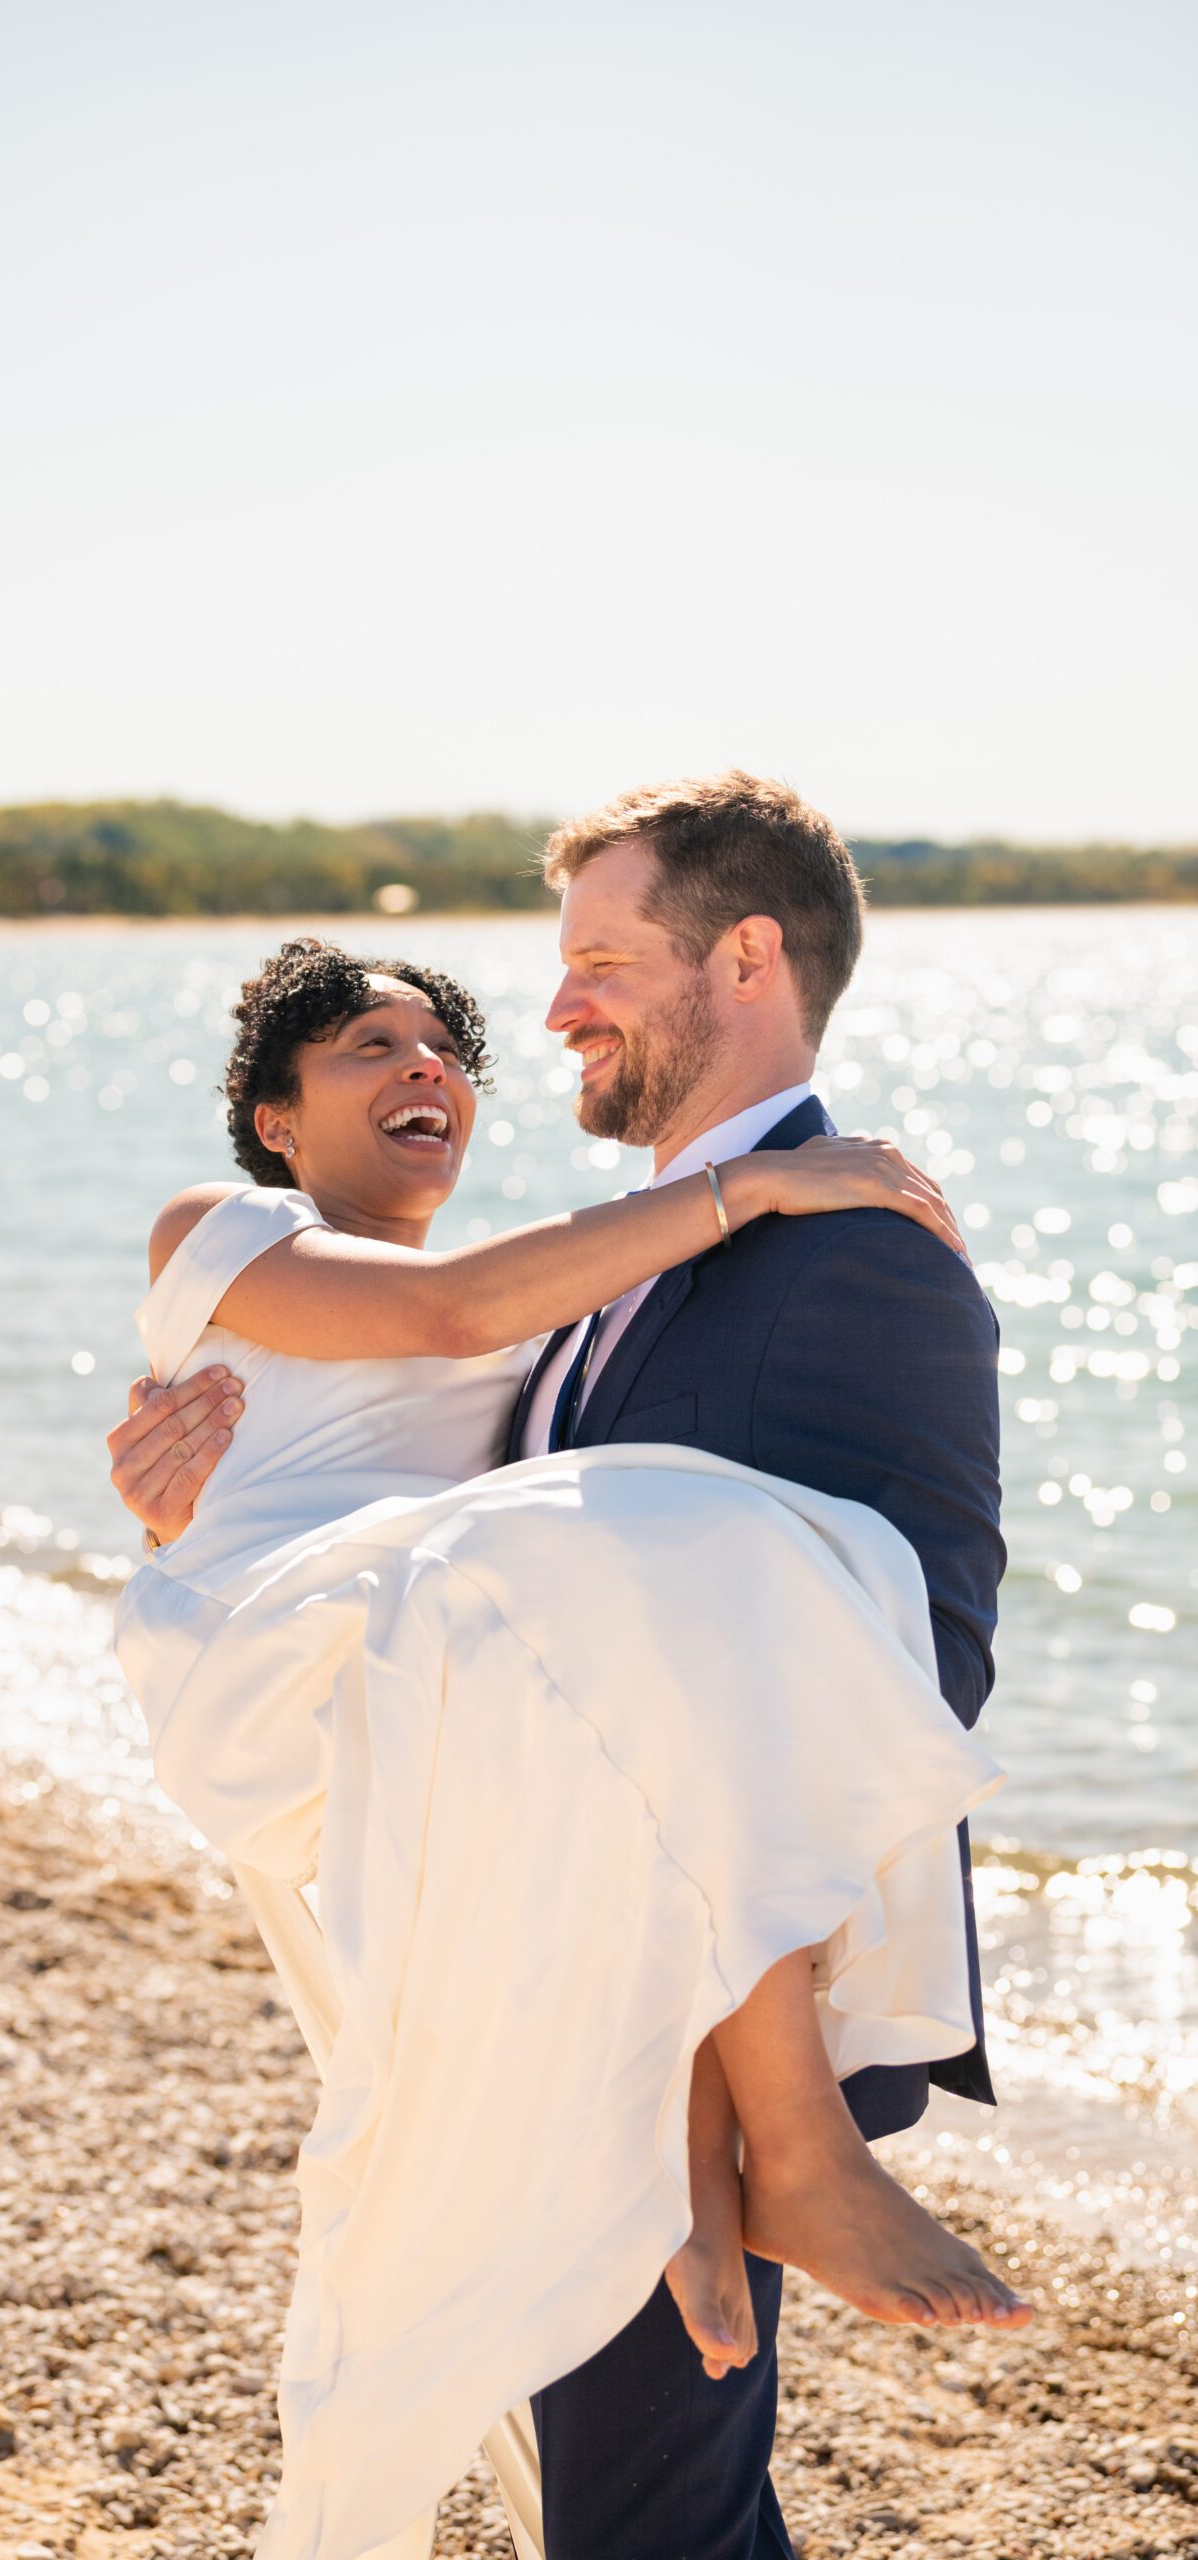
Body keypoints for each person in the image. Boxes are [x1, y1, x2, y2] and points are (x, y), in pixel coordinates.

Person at [110, 774, 1021, 2560]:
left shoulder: (846, 1251)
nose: (539, 1018)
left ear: (742, 960)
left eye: (596, 964)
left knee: (626, 2500)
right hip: (459, 1855)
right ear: (275, 1125)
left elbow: (922, 1633)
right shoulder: (553, 1279)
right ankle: (745, 2166)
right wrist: (174, 1520)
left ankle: (758, 2156)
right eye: (369, 1048)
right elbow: (427, 1454)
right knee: (637, 2503)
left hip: (643, 1961)